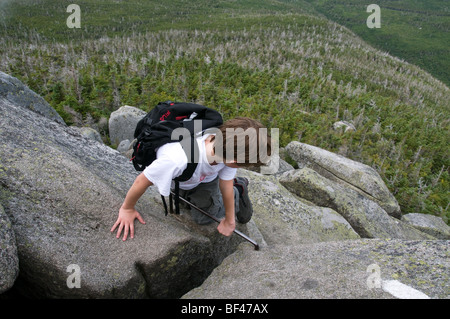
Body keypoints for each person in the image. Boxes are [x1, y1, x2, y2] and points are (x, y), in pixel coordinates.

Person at [111, 117, 271, 241]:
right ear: (234, 162)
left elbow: (226, 184)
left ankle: (239, 189)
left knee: (203, 218)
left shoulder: (225, 144)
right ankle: (237, 188)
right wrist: (127, 208)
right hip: (185, 176)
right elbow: (142, 180)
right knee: (184, 205)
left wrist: (230, 220)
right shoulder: (177, 160)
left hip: (202, 180)